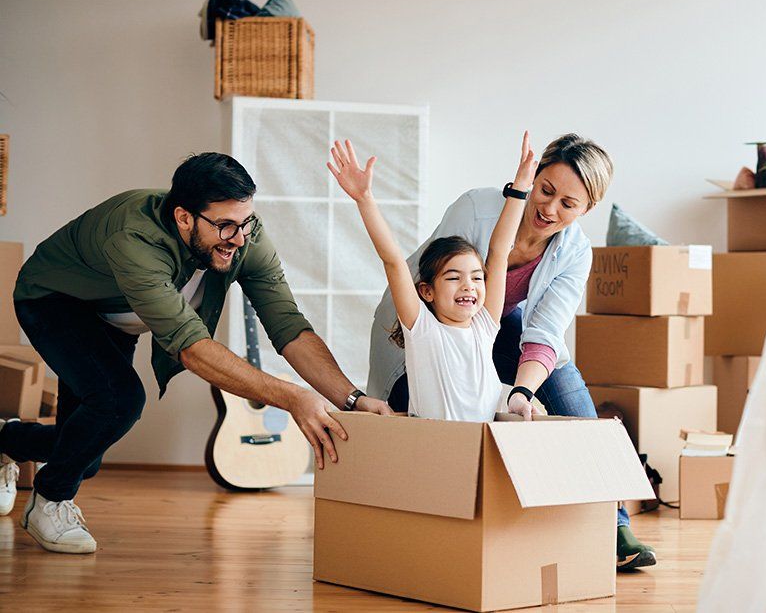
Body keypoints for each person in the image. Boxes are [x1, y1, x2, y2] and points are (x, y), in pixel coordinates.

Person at [0, 153, 392, 554]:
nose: (239, 239)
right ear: (184, 217)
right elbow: (191, 348)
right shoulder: (135, 239)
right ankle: (48, 502)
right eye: (225, 226)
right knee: (119, 401)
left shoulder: (244, 238)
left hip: (116, 316)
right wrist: (293, 398)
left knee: (86, 451)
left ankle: (5, 439)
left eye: (246, 222)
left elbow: (287, 325)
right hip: (55, 301)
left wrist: (352, 398)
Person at [366, 133, 657, 570]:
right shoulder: (477, 209)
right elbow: (428, 277)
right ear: (533, 177)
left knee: (561, 376)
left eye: (568, 203)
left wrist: (520, 393)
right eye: (546, 190)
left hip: (490, 327)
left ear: (587, 209)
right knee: (429, 439)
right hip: (423, 324)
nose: (550, 209)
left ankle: (611, 523)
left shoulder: (575, 251)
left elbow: (543, 330)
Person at [328, 136, 536, 421]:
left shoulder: (485, 327)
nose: (468, 286)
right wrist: (365, 199)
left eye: (477, 278)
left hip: (481, 448)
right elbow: (393, 262)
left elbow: (499, 253)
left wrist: (521, 189)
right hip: (436, 449)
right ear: (427, 291)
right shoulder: (423, 330)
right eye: (454, 278)